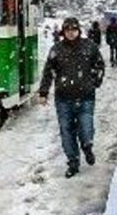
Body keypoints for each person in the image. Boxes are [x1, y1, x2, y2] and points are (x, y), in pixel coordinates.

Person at [38, 17, 105, 178]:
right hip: (63, 98)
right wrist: (43, 92)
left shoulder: (89, 46)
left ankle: (87, 146)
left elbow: (100, 65)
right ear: (63, 32)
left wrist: (94, 81)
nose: (71, 33)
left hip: (86, 96)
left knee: (86, 127)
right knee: (66, 132)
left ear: (78, 30)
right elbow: (48, 71)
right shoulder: (57, 49)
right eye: (68, 30)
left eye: (74, 30)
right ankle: (73, 162)